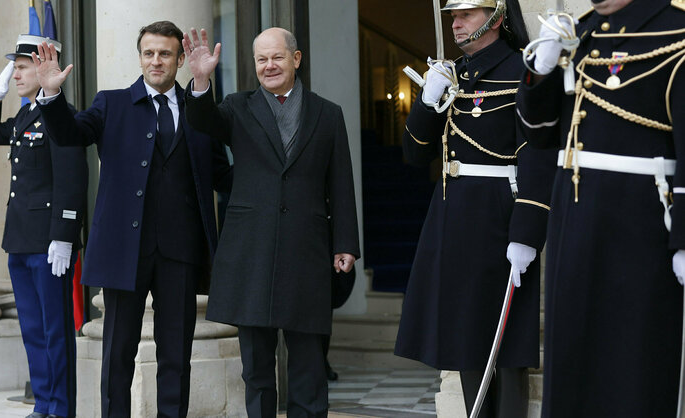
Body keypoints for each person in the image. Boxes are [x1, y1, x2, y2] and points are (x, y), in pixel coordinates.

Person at [32, 20, 232, 417]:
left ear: (179, 60)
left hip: (181, 253)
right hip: (123, 252)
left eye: (165, 54)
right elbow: (71, 134)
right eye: (149, 53)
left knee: (176, 356)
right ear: (140, 58)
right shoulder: (111, 103)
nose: (156, 61)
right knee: (118, 356)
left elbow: (224, 176)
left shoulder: (199, 111)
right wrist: (51, 94)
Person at [517, 0, 684, 415]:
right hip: (575, 220)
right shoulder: (582, 32)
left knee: (632, 361)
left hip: (640, 225)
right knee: (573, 352)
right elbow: (539, 135)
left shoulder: (673, 29)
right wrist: (540, 73)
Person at [183, 26, 360, 417]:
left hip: (307, 252)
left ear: (296, 59)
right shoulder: (236, 107)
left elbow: (341, 183)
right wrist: (199, 80)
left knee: (309, 369)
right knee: (258, 371)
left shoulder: (328, 113)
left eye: (277, 57)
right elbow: (201, 121)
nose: (268, 66)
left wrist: (345, 242)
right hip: (252, 254)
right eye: (261, 59)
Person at [392, 1, 555, 416]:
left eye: (466, 14)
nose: (456, 22)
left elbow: (537, 154)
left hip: (501, 214)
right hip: (454, 214)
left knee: (509, 344)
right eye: (452, 16)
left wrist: (527, 231)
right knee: (465, 341)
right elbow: (414, 155)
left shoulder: (523, 70)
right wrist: (428, 101)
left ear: (496, 17)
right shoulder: (453, 75)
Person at [0, 34, 88, 418]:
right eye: (14, 68)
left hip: (47, 242)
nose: (16, 75)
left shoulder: (60, 118)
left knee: (55, 332)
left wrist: (64, 236)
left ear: (44, 68)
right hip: (20, 240)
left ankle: (60, 409)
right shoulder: (24, 116)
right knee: (33, 331)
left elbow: (71, 178)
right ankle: (43, 404)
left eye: (21, 68)